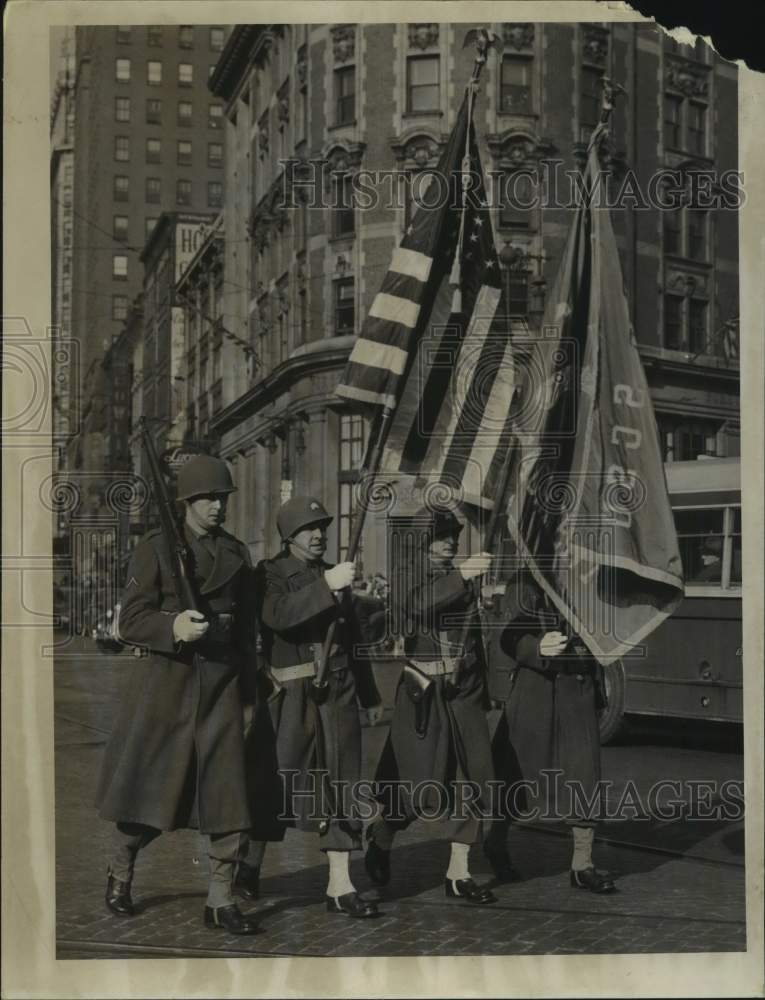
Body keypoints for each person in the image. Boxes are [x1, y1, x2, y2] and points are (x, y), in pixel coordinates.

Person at [95, 454, 261, 935]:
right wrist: (173, 625)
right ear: (186, 502)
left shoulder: (237, 553)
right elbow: (130, 620)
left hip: (222, 687)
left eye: (222, 498)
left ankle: (220, 899)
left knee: (227, 796)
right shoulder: (155, 549)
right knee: (153, 794)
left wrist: (249, 694)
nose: (217, 506)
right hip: (169, 688)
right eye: (208, 498)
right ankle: (121, 868)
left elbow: (247, 631)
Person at [240, 496, 384, 918]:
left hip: (336, 693)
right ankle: (249, 864)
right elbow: (278, 616)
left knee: (344, 781)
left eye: (322, 526)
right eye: (309, 529)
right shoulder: (270, 574)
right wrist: (326, 588)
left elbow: (352, 640)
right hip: (291, 697)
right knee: (276, 785)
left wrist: (370, 694)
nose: (319, 534)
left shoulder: (331, 575)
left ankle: (340, 886)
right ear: (289, 537)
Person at [365, 507, 498, 905]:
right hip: (423, 690)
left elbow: (473, 635)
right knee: (415, 781)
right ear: (422, 539)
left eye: (453, 535)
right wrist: (464, 578)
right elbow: (419, 606)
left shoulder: (459, 573)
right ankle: (383, 835)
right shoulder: (407, 572)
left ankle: (459, 872)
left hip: (463, 691)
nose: (449, 542)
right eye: (441, 535)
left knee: (471, 779)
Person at [483, 565, 616, 894]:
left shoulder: (589, 578)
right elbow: (507, 634)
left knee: (585, 773)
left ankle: (582, 864)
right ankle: (495, 842)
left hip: (578, 688)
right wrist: (536, 646)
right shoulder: (525, 579)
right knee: (514, 774)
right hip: (535, 689)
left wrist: (598, 688)